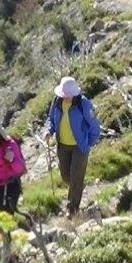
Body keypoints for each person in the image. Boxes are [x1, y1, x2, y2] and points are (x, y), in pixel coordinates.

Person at [46, 77, 101, 217]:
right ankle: (77, 188)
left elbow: (94, 123)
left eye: (68, 94)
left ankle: (72, 209)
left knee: (76, 178)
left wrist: (89, 142)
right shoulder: (57, 101)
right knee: (66, 176)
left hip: (80, 146)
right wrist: (49, 130)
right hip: (63, 145)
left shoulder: (83, 103)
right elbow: (51, 119)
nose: (66, 97)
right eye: (64, 94)